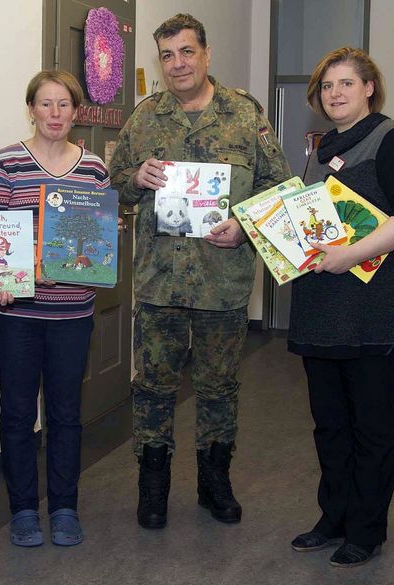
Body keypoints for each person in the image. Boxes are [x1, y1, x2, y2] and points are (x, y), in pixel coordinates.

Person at [108, 13, 290, 529]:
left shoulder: (243, 114)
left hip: (222, 280)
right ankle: (153, 487)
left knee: (219, 387)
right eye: (167, 55)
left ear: (206, 55)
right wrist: (135, 177)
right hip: (160, 282)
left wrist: (246, 226)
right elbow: (114, 185)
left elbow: (280, 187)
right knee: (153, 388)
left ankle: (215, 484)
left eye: (186, 52)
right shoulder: (144, 118)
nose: (177, 64)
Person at [288, 47, 394, 567]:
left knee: (372, 426)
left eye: (347, 83)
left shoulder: (393, 139)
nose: (335, 94)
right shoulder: (319, 148)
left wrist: (350, 253)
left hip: (380, 312)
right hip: (322, 309)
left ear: (369, 88)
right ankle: (334, 518)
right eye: (328, 86)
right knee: (329, 424)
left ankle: (366, 530)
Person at [0, 70, 110, 548]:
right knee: (17, 414)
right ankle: (22, 511)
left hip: (73, 313)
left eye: (64, 105)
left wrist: (101, 246)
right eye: (45, 104)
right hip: (16, 315)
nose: (55, 114)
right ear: (31, 108)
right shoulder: (5, 165)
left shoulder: (94, 168)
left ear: (76, 111)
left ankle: (63, 508)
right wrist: (7, 280)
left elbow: (95, 240)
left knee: (66, 414)